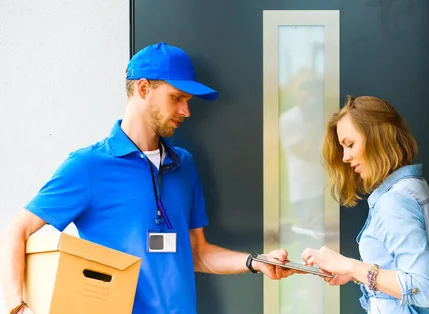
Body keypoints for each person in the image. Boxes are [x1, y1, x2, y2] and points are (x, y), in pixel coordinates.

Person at [0, 42, 295, 314]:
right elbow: (16, 231)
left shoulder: (185, 165)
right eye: (177, 98)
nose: (186, 111)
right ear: (143, 89)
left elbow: (196, 253)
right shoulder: (88, 166)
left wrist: (255, 262)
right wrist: (17, 308)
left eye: (188, 100)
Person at [301, 96, 429, 313]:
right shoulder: (413, 186)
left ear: (377, 137)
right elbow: (399, 270)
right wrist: (353, 274)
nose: (346, 157)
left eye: (349, 145)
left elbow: (422, 289)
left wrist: (351, 266)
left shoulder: (395, 202)